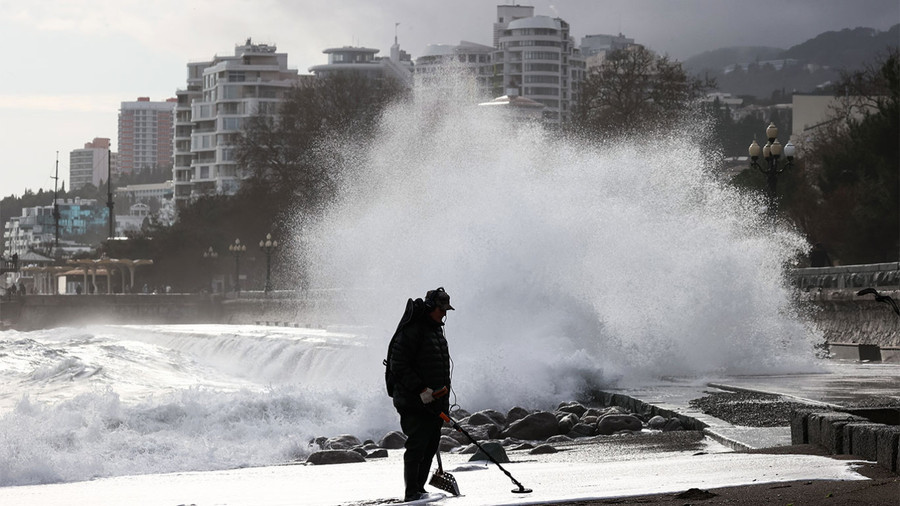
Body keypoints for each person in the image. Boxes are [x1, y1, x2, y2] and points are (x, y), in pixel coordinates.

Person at [389, 287, 454, 502]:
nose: (444, 314)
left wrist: (443, 404)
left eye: (446, 310)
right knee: (417, 444)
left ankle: (420, 488)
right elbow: (398, 364)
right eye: (441, 309)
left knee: (431, 443)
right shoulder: (412, 330)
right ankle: (411, 493)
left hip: (434, 402)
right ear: (430, 308)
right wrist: (421, 389)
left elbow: (438, 368)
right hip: (413, 400)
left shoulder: (435, 330)